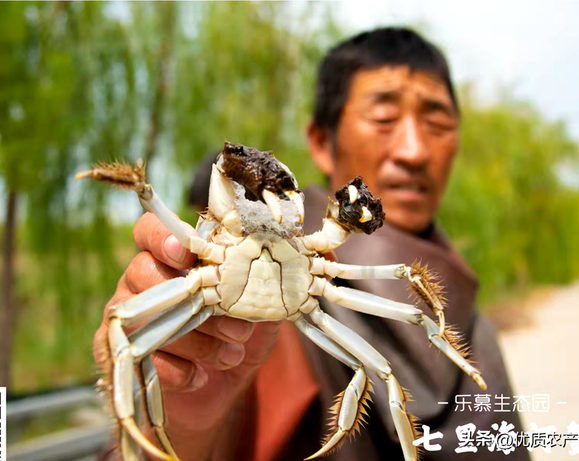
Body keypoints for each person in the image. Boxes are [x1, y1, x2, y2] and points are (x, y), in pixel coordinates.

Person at [96, 28, 529, 461]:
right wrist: (188, 421)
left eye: (436, 122)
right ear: (321, 141)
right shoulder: (263, 335)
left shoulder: (467, 316)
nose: (413, 151)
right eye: (384, 119)